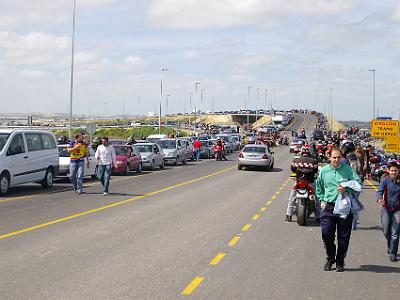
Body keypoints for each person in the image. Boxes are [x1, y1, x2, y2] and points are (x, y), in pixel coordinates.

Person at [316, 146, 361, 272]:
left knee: (344, 237)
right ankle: (330, 258)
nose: (336, 160)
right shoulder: (324, 170)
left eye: (338, 157)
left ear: (342, 158)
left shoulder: (348, 170)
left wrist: (346, 188)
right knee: (326, 234)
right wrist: (322, 200)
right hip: (328, 207)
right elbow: (318, 186)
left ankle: (340, 260)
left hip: (344, 208)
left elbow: (358, 184)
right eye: (334, 157)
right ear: (329, 157)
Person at [285, 146, 319, 222]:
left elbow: (293, 169)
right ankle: (318, 216)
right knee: (317, 198)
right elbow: (315, 171)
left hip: (299, 182)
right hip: (310, 182)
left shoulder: (295, 160)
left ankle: (288, 215)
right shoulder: (314, 161)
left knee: (292, 197)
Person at [376, 162, 400, 262]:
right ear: (389, 171)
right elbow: (379, 191)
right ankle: (390, 246)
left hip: (398, 210)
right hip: (386, 208)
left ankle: (393, 252)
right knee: (386, 231)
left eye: (395, 171)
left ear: (398, 171)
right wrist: (379, 198)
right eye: (392, 171)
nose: (394, 172)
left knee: (395, 232)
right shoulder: (385, 180)